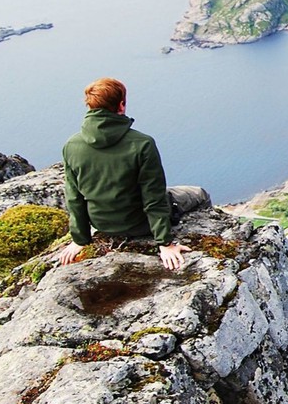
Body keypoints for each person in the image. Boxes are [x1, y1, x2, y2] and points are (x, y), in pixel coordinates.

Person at [59, 77, 197, 270]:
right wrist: (165, 244)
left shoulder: (72, 146)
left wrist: (80, 239)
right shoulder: (142, 144)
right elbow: (153, 197)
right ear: (121, 105)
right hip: (140, 224)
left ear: (90, 106)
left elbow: (74, 197)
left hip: (102, 225)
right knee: (198, 194)